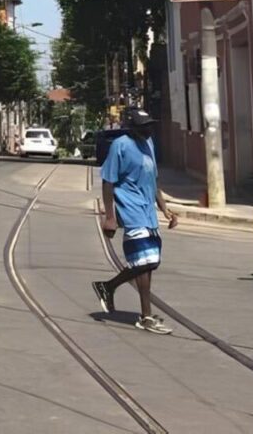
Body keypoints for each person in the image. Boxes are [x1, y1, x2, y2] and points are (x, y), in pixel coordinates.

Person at [92, 106, 178, 335]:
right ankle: (146, 316)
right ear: (132, 128)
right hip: (130, 211)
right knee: (143, 262)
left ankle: (108, 287)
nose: (149, 130)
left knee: (151, 262)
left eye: (150, 125)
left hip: (148, 212)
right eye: (144, 127)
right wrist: (110, 217)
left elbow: (153, 180)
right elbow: (108, 181)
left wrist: (165, 210)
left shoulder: (149, 144)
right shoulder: (120, 145)